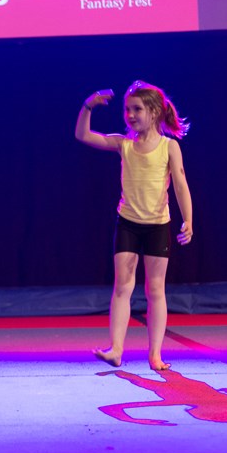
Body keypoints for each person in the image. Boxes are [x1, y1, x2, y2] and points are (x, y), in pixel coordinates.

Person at [75, 81, 194, 371]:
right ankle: (116, 349)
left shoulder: (169, 147)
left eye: (137, 109)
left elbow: (180, 184)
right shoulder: (123, 144)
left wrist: (188, 219)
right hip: (128, 223)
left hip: (157, 226)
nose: (130, 115)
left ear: (154, 112)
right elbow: (83, 135)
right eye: (127, 109)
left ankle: (155, 355)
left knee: (155, 290)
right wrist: (88, 105)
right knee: (122, 286)